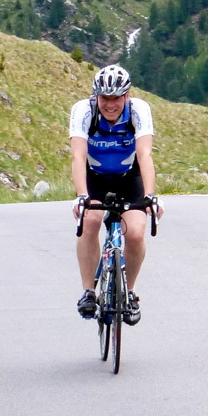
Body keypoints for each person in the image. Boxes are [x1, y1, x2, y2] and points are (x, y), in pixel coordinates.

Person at [70, 64, 163, 325]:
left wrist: (151, 195)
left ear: (127, 96)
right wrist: (82, 195)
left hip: (129, 178)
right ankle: (88, 291)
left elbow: (145, 154)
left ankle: (129, 292)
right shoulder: (84, 111)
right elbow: (78, 156)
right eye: (104, 98)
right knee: (90, 221)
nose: (110, 105)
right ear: (96, 96)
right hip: (94, 179)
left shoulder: (138, 110)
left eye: (116, 98)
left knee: (135, 232)